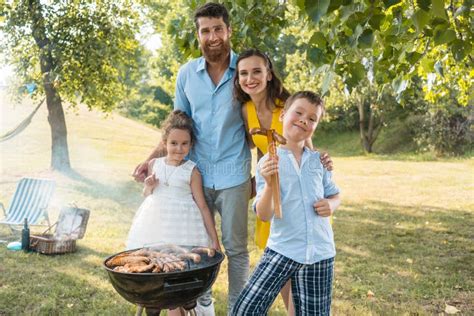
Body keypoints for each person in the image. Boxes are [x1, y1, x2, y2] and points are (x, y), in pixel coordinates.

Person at [133, 3, 251, 313]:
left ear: (228, 31)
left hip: (234, 176)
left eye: (218, 29)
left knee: (236, 251)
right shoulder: (187, 73)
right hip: (194, 176)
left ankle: (238, 310)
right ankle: (199, 303)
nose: (212, 36)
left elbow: (263, 121)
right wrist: (149, 159)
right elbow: (177, 125)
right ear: (198, 34)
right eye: (205, 30)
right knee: (192, 246)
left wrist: (262, 177)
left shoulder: (245, 70)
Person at [234, 48, 330, 315]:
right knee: (279, 261)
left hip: (294, 194)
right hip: (270, 185)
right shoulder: (246, 110)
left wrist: (321, 166)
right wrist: (257, 179)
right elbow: (257, 147)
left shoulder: (284, 107)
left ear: (268, 75)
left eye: (257, 71)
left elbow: (305, 143)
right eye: (244, 73)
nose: (250, 78)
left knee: (296, 262)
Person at [127, 110, 221, 316]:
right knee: (154, 268)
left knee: (179, 274)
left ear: (191, 145)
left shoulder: (192, 170)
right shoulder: (154, 164)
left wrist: (214, 240)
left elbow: (203, 206)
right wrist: (149, 185)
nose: (179, 149)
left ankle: (178, 308)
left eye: (184, 144)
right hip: (157, 225)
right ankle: (153, 304)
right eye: (174, 143)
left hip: (184, 228)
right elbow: (147, 194)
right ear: (164, 143)